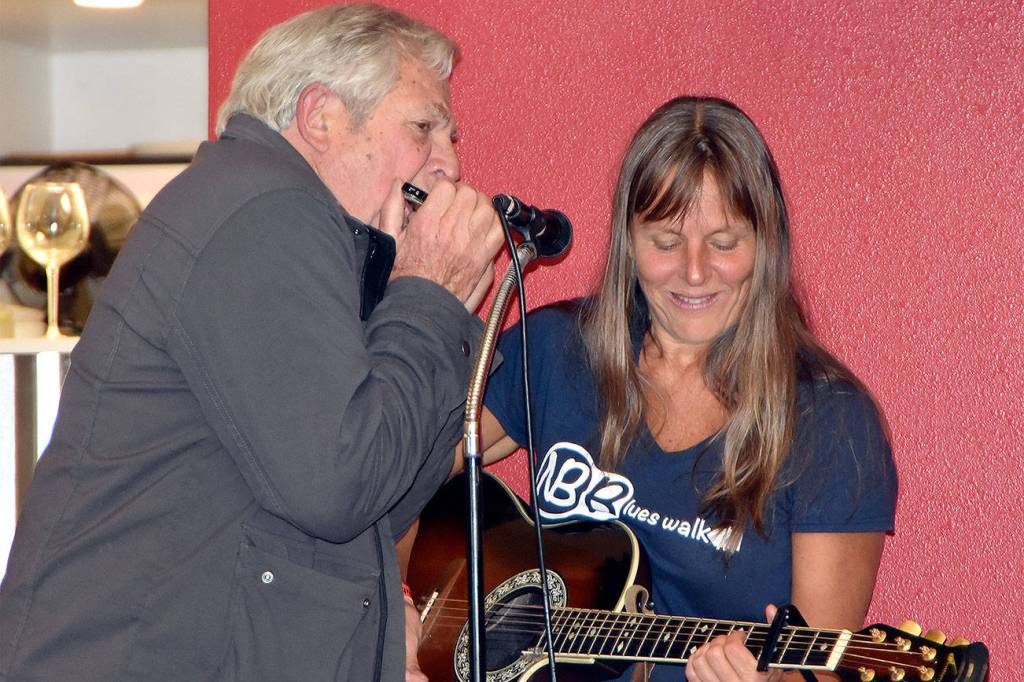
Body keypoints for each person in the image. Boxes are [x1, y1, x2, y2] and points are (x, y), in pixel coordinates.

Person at [0, 4, 504, 681]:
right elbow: (341, 487)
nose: (449, 163)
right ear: (321, 115)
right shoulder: (262, 207)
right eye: (424, 128)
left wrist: (422, 305)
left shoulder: (294, 228)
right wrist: (427, 297)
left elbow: (374, 511)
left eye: (450, 135)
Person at [404, 96, 897, 681]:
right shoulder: (559, 349)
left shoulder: (833, 424)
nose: (694, 272)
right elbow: (393, 478)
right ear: (628, 241)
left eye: (724, 242)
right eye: (665, 242)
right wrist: (397, 616)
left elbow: (823, 666)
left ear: (766, 245)